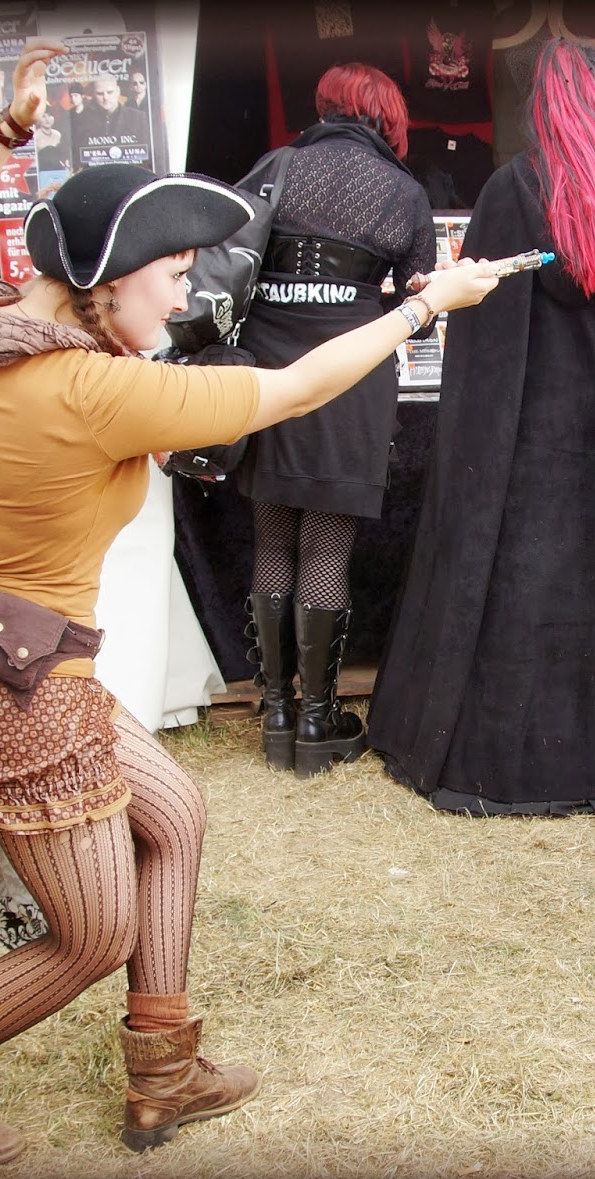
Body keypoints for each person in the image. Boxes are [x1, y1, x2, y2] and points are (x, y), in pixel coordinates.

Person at [0, 39, 497, 1164]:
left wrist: (9, 130)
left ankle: (163, 1072)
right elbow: (294, 387)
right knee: (91, 934)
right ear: (108, 281)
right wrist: (426, 308)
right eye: (170, 276)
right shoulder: (96, 388)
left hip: (9, 655)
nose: (187, 294)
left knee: (176, 817)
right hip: (10, 685)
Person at [366, 37, 595, 817]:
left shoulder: (508, 192)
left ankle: (520, 754)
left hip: (530, 428)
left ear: (541, 109)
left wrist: (476, 442)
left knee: (525, 582)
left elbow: (481, 340)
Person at [229, 63, 437, 778]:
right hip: (351, 372)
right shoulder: (403, 191)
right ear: (387, 116)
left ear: (325, 106)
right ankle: (319, 721)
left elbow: (227, 258)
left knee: (272, 537)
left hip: (268, 368)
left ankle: (276, 713)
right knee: (325, 547)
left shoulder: (276, 167)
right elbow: (418, 299)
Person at [71, 72, 142, 166]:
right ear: (93, 94)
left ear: (118, 91)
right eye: (100, 93)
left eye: (110, 92)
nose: (105, 97)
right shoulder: (82, 120)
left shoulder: (139, 118)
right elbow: (78, 157)